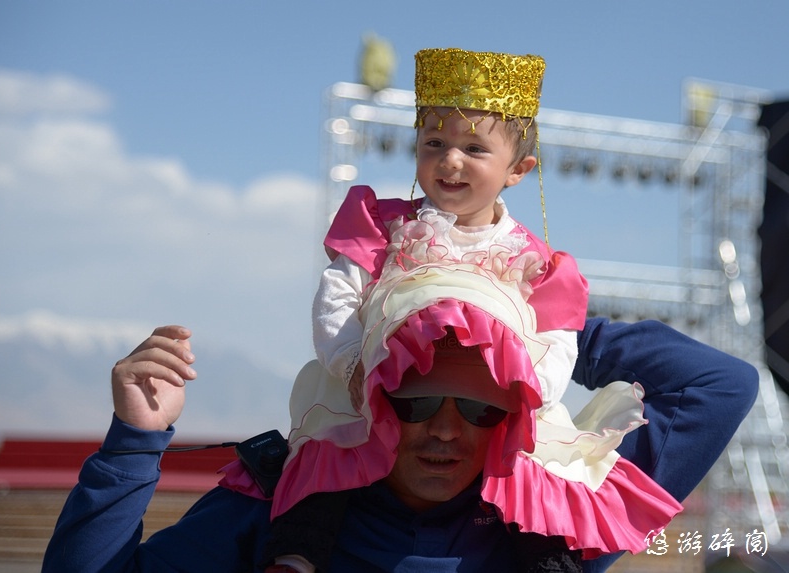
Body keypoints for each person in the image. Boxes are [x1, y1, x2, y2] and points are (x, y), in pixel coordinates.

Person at [42, 316, 758, 572]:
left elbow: (722, 386)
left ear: (513, 419)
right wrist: (136, 442)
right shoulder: (284, 506)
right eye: (415, 402)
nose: (446, 428)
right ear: (372, 405)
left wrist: (537, 322)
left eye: (479, 408)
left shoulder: (552, 526)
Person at [268, 47, 589, 572]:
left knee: (541, 466)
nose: (450, 160)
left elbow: (558, 340)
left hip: (495, 402)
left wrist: (528, 390)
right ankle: (295, 556)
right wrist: (352, 363)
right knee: (327, 444)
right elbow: (338, 299)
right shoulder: (384, 228)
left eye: (473, 148)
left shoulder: (537, 261)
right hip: (378, 386)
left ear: (519, 169)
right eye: (434, 143)